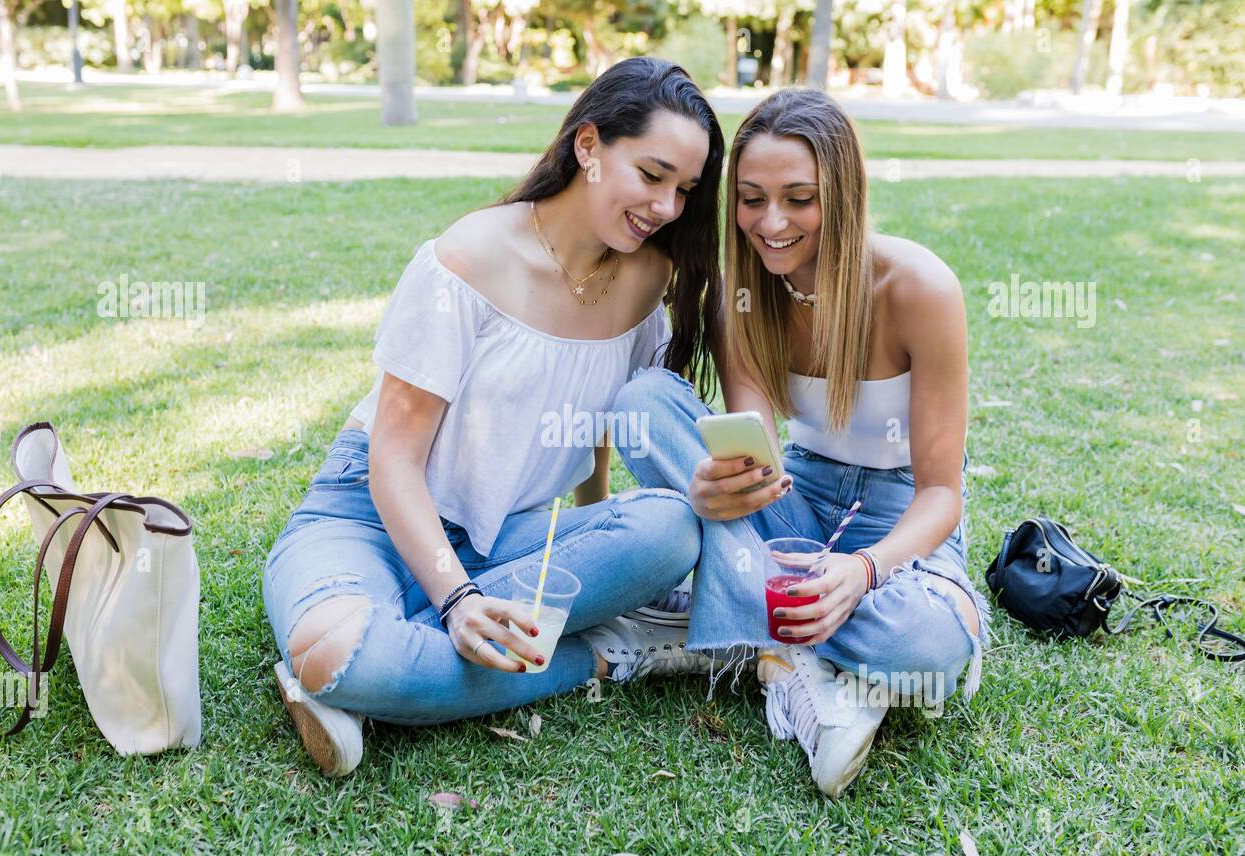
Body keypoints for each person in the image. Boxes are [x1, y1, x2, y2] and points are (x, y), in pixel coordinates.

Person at [261, 57, 727, 777]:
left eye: (685, 191)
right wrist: (456, 600)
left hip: (504, 536)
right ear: (589, 146)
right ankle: (597, 656)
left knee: (668, 528)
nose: (667, 207)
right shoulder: (468, 258)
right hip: (368, 519)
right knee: (341, 652)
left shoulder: (645, 279)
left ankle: (365, 673)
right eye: (652, 174)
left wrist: (599, 541)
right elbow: (393, 459)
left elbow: (595, 425)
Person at [610, 87, 990, 799]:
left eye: (798, 198)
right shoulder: (739, 296)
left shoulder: (919, 289)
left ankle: (741, 629)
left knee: (927, 651)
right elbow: (762, 459)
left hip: (900, 520)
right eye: (751, 199)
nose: (771, 222)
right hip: (802, 502)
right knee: (643, 403)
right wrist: (723, 488)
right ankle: (795, 658)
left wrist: (864, 574)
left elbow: (942, 493)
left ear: (841, 195)